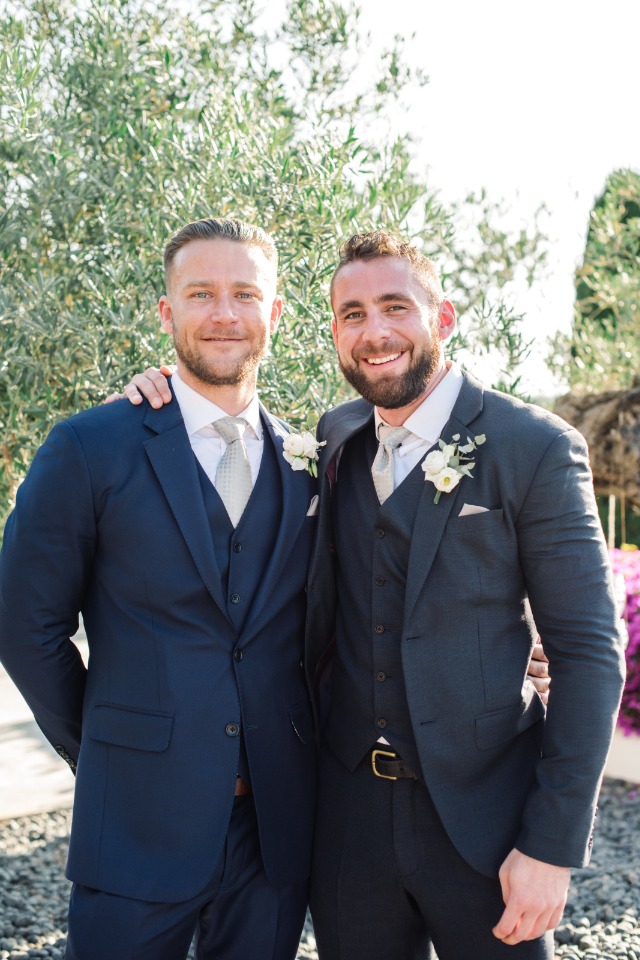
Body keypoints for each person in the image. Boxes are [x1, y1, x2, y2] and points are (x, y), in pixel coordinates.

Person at [124, 229, 625, 959]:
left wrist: (550, 848)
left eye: (396, 307)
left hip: (485, 824)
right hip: (347, 821)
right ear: (333, 331)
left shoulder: (535, 448)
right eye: (352, 314)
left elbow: (588, 655)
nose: (375, 331)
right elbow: (219, 437)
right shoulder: (334, 438)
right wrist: (155, 399)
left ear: (443, 318)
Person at [0, 217, 319, 960]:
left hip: (273, 835)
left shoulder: (310, 462)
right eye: (200, 293)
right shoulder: (90, 446)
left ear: (274, 315)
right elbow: (23, 623)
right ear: (167, 312)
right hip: (135, 824)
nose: (223, 313)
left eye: (245, 294)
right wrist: (110, 749)